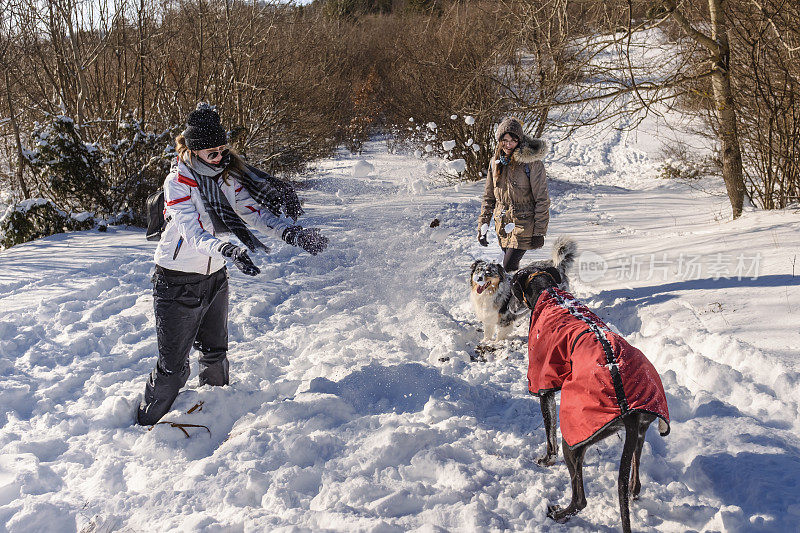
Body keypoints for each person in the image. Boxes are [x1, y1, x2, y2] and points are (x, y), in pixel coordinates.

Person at [136, 103, 328, 426]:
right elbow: (193, 234)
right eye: (212, 153)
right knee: (172, 372)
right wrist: (229, 249)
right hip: (176, 283)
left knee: (215, 358)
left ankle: (210, 420)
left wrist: (292, 234)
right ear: (194, 151)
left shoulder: (224, 179)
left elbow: (255, 212)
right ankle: (144, 427)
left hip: (215, 278)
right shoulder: (178, 184)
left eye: (223, 150)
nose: (220, 158)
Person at [477, 116, 550, 272]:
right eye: (505, 140)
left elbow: (542, 199)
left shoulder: (531, 163)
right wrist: (482, 226)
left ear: (520, 140)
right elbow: (489, 197)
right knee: (511, 270)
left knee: (508, 266)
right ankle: (519, 295)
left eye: (513, 140)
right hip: (502, 223)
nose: (508, 144)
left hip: (524, 224)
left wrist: (539, 231)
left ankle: (515, 294)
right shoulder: (495, 162)